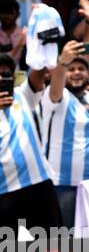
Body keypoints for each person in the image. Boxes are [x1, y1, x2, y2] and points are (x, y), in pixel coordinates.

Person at [39, 39, 89, 228]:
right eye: (71, 69)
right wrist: (62, 62)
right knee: (64, 244)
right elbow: (57, 83)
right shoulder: (56, 96)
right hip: (61, 184)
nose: (76, 73)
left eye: (81, 69)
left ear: (88, 75)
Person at [0, 53, 60, 231]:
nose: (1, 78)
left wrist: (41, 43)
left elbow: (39, 70)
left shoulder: (23, 94)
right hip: (3, 190)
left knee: (54, 248)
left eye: (6, 74)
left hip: (37, 183)